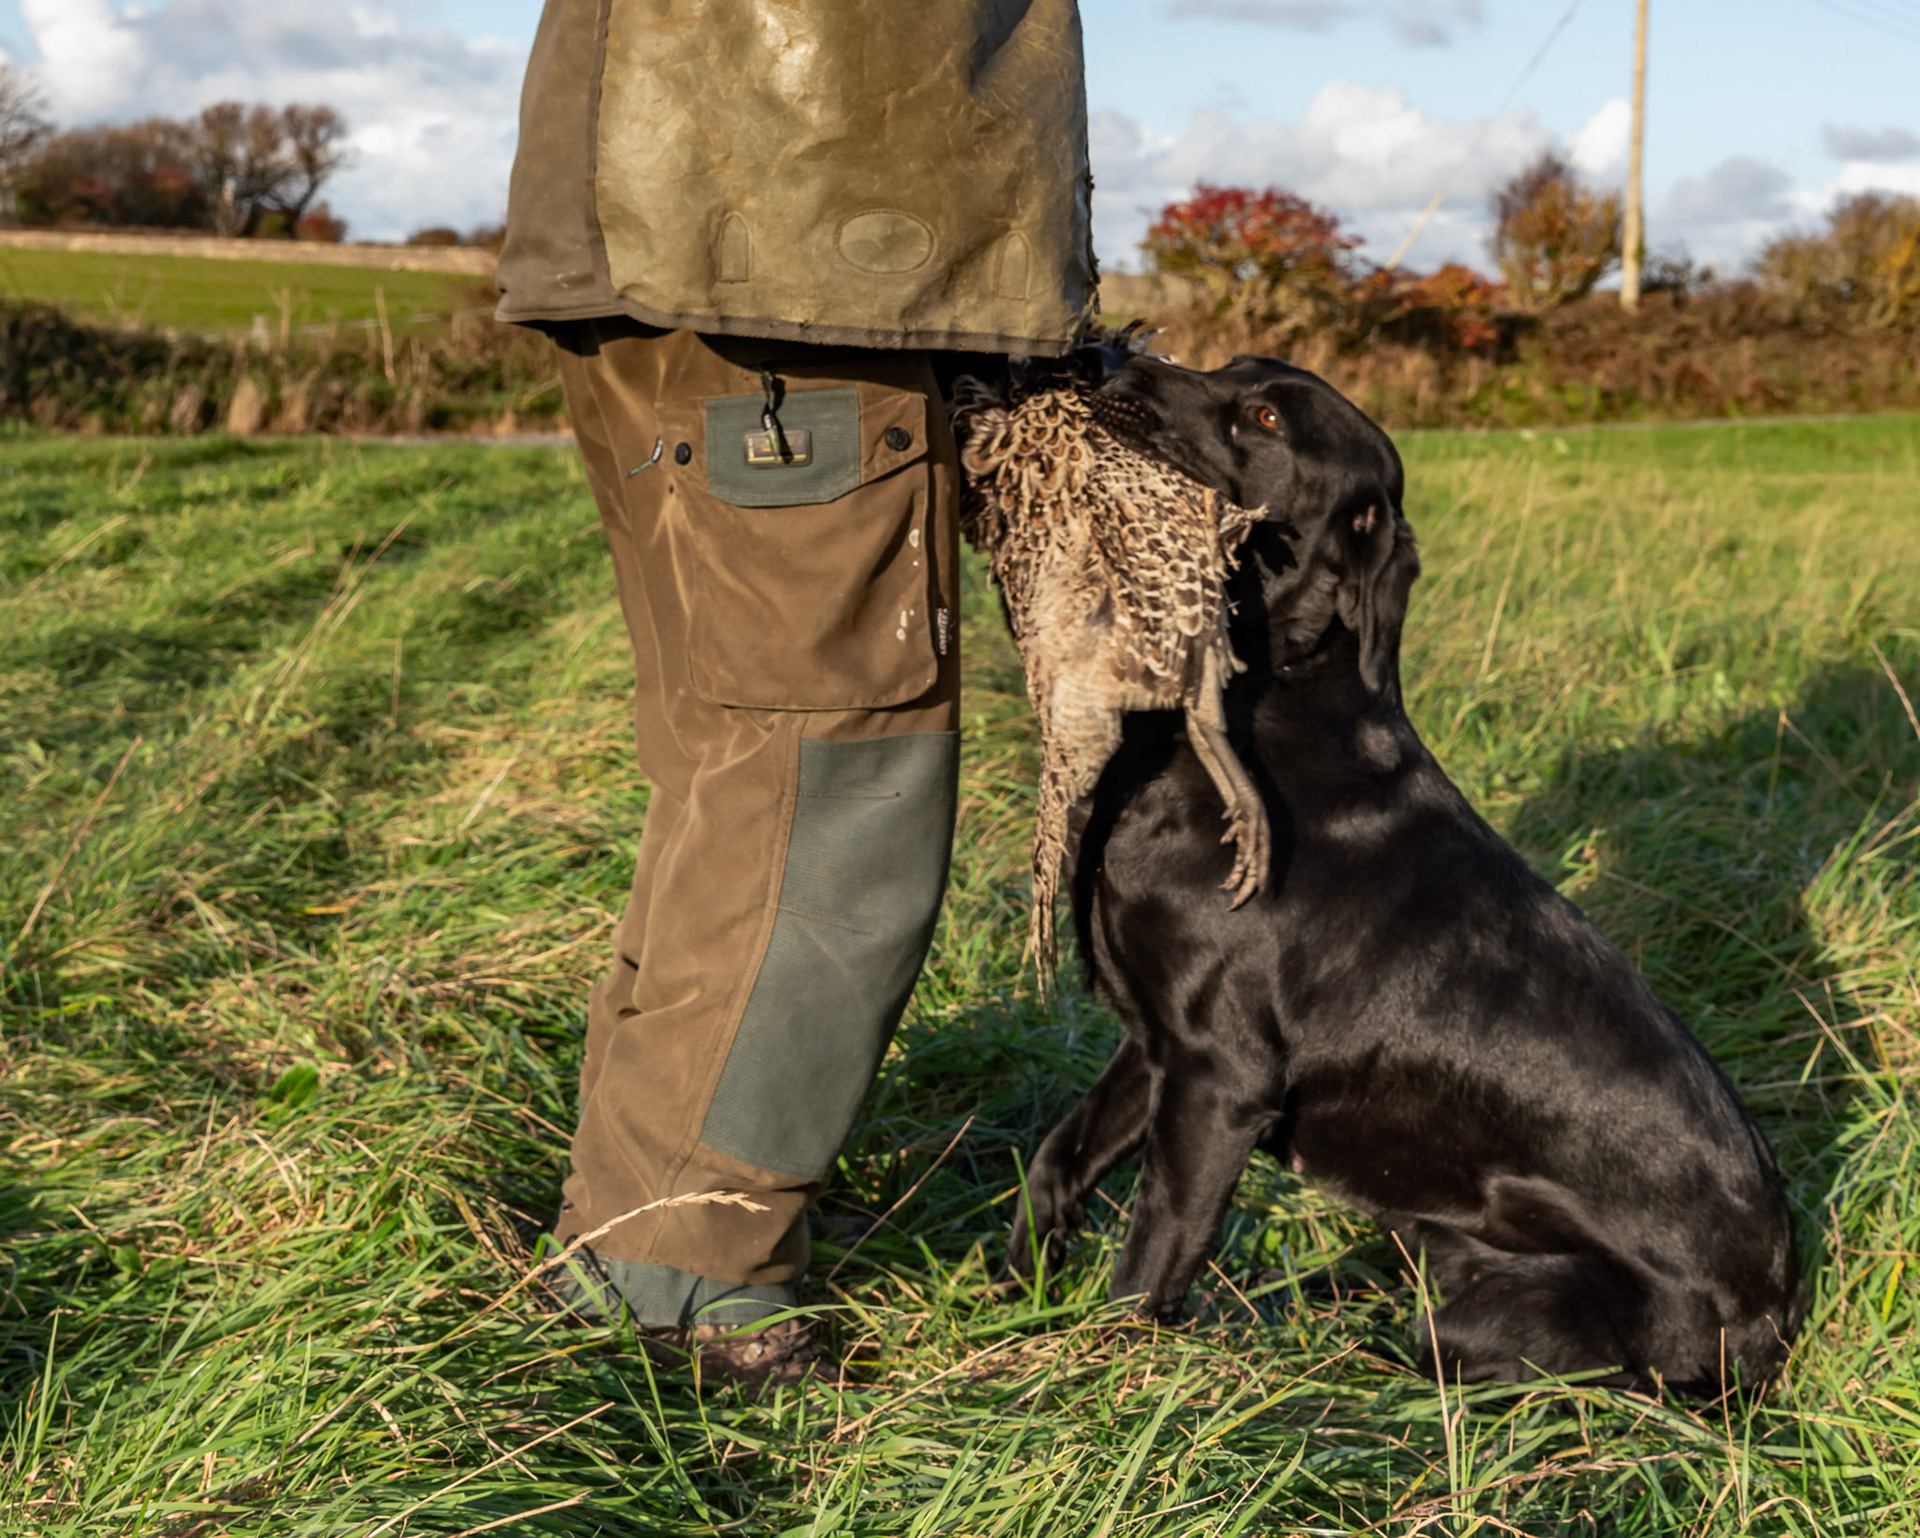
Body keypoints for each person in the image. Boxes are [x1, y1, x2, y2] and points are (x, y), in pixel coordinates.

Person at [494, 0, 1096, 1389]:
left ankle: (633, 1225)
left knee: (730, 773)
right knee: (828, 793)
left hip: (661, 224)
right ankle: (679, 1278)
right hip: (804, 232)